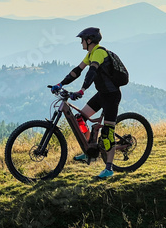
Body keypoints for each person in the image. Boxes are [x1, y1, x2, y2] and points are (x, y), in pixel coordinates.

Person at [51, 27, 121, 179]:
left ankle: (109, 168)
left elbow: (92, 72)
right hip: (102, 95)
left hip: (112, 96)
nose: (81, 42)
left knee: (108, 133)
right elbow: (77, 71)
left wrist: (82, 90)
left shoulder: (99, 52)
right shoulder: (90, 54)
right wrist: (61, 84)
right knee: (80, 117)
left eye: (82, 40)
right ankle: (89, 149)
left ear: (89, 40)